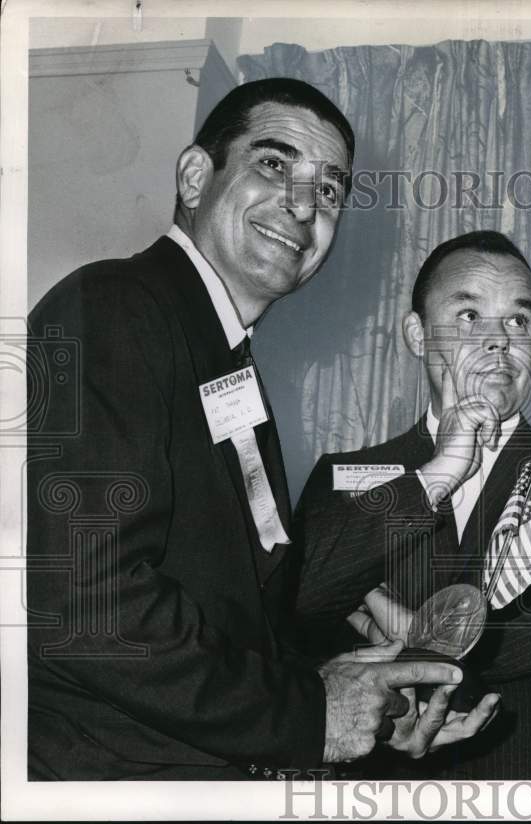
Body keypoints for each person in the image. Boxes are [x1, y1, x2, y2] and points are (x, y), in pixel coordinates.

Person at [26, 78, 495, 780]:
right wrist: (309, 715)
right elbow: (92, 610)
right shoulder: (112, 308)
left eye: (330, 190)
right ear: (194, 176)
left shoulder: (226, 360)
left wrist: (360, 695)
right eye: (273, 164)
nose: (304, 205)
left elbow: (230, 601)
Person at [293, 230, 531, 779]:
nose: (498, 340)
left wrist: (420, 646)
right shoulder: (344, 478)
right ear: (416, 334)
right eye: (469, 316)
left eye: (519, 321)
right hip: (386, 787)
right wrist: (439, 474)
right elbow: (302, 607)